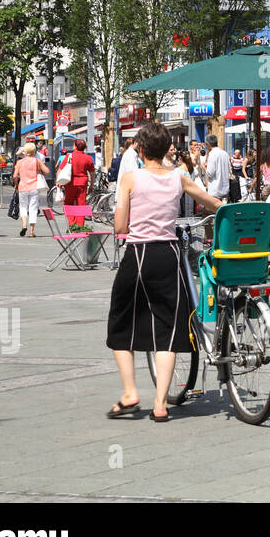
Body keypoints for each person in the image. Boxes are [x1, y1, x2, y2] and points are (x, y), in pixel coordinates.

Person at [107, 122, 222, 422]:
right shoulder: (179, 179)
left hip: (139, 254)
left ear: (141, 150)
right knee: (169, 328)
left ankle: (130, 392)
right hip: (169, 255)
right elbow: (213, 203)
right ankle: (160, 404)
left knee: (121, 323)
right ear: (167, 150)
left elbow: (120, 227)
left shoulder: (130, 179)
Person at [12, 142, 50, 237]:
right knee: (33, 208)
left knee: (23, 207)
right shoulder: (37, 161)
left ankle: (24, 225)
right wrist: (40, 172)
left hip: (23, 187)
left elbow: (15, 175)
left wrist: (16, 184)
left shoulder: (20, 162)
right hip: (34, 187)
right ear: (34, 151)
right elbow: (47, 171)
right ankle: (32, 231)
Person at [61, 138, 95, 209]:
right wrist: (91, 185)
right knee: (81, 203)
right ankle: (80, 220)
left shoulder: (69, 156)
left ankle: (71, 219)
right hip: (82, 182)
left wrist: (59, 182)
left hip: (70, 182)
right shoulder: (88, 158)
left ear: (76, 147)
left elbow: (61, 169)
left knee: (69, 202)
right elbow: (92, 173)